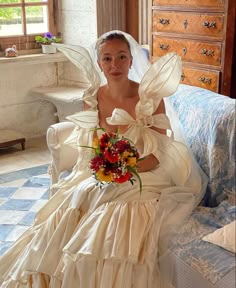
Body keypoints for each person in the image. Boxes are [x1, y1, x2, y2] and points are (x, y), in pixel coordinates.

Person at [0, 31, 207, 288]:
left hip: (148, 171)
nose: (115, 65)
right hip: (113, 169)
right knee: (78, 196)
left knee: (115, 209)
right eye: (107, 58)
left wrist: (126, 168)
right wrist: (105, 165)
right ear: (99, 64)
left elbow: (158, 153)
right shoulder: (94, 97)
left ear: (131, 60)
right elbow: (95, 144)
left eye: (121, 57)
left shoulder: (150, 97)